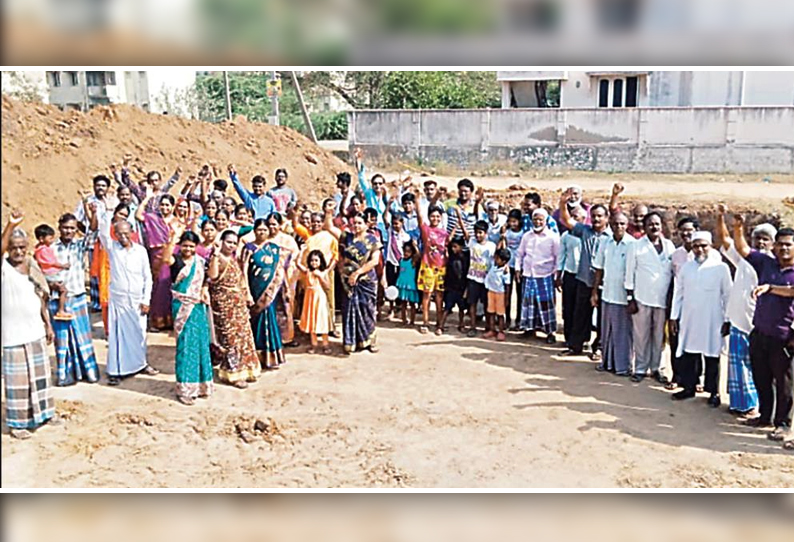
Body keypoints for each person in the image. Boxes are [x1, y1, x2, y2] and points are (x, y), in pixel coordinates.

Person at [735, 216, 794, 442]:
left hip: (784, 338)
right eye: (779, 244)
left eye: (788, 244)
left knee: (785, 384)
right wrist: (738, 227)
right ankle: (764, 416)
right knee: (761, 376)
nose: (783, 248)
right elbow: (742, 249)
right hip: (760, 333)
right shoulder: (766, 263)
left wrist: (770, 288)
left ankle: (783, 424)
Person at [2, 210, 59, 439]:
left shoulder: (32, 266)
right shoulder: (4, 269)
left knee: (40, 377)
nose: (18, 251)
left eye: (22, 247)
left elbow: (41, 299)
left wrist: (48, 325)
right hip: (12, 335)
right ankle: (17, 423)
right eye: (13, 247)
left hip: (34, 331)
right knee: (18, 382)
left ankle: (44, 414)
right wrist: (10, 224)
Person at [715, 206, 774, 415]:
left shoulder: (775, 265)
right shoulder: (744, 260)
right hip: (739, 321)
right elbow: (725, 240)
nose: (761, 242)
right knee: (738, 367)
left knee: (759, 369)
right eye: (758, 238)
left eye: (766, 239)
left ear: (773, 243)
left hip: (761, 326)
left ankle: (759, 408)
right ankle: (740, 404)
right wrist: (722, 218)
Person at [670, 231, 732, 406]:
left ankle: (714, 392)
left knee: (712, 356)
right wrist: (674, 317)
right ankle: (689, 387)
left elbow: (728, 294)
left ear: (710, 246)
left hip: (713, 319)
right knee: (690, 354)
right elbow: (678, 293)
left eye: (703, 245)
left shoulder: (721, 268)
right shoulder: (686, 268)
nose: (699, 249)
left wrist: (727, 319)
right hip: (690, 319)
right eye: (696, 246)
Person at [95, 210, 157, 386]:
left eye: (125, 233)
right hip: (119, 300)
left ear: (132, 232)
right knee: (118, 337)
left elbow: (148, 277)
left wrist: (146, 300)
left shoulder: (141, 251)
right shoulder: (113, 249)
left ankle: (140, 364)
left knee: (139, 333)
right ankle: (115, 371)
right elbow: (102, 233)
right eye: (119, 233)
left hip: (138, 301)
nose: (122, 236)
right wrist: (107, 212)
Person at [557, 190, 612, 357]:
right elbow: (566, 220)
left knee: (603, 318)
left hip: (604, 284)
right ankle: (576, 346)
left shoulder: (611, 236)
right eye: (594, 216)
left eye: (600, 216)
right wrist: (562, 202)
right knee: (580, 315)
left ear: (606, 218)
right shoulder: (584, 231)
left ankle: (599, 349)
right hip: (584, 280)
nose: (596, 219)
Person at [48, 213, 100, 386]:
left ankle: (88, 372)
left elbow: (92, 232)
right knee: (62, 338)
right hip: (57, 299)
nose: (68, 231)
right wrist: (52, 283)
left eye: (72, 228)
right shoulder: (51, 248)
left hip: (77, 296)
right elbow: (41, 270)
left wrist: (93, 214)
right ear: (59, 228)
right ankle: (64, 375)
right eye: (65, 227)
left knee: (82, 336)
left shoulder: (79, 246)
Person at [625, 211, 676, 385]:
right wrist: (630, 297)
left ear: (661, 226)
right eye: (650, 224)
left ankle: (657, 368)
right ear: (644, 227)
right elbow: (629, 272)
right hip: (642, 298)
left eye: (657, 224)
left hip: (662, 300)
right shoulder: (636, 246)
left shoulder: (669, 246)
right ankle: (640, 368)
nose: (654, 227)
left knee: (659, 337)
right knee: (641, 335)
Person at [207, 229, 261, 387]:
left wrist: (246, 296)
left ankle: (247, 369)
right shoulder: (219, 258)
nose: (231, 245)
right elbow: (213, 276)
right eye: (228, 242)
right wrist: (216, 255)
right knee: (230, 339)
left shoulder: (232, 259)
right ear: (222, 242)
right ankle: (233, 373)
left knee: (243, 337)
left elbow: (240, 279)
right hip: (224, 305)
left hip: (238, 305)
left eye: (234, 243)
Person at [324, 211, 382, 354]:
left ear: (366, 224)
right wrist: (328, 213)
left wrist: (357, 273)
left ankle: (369, 341)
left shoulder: (372, 240)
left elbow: (374, 261)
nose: (356, 226)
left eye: (359, 223)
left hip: (365, 281)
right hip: (347, 282)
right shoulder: (346, 237)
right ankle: (351, 342)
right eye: (354, 223)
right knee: (349, 309)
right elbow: (329, 227)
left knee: (366, 309)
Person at [167, 231, 213, 405]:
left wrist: (205, 289)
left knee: (200, 343)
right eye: (185, 245)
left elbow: (207, 279)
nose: (188, 249)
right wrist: (172, 239)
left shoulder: (200, 262)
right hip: (183, 307)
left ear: (196, 247)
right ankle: (185, 389)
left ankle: (201, 386)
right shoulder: (176, 261)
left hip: (198, 306)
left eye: (191, 246)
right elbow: (165, 259)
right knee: (186, 345)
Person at [591, 213, 636, 376]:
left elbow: (633, 273)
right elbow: (599, 268)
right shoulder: (605, 241)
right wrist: (595, 291)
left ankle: (623, 366)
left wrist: (631, 297)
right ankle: (607, 362)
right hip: (607, 294)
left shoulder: (632, 244)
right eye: (616, 224)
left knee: (622, 332)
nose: (619, 227)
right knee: (607, 331)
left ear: (627, 225)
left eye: (622, 224)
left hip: (623, 296)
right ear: (610, 224)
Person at [88, 202, 140, 334]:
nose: (122, 217)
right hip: (106, 267)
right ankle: (109, 329)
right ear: (114, 213)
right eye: (120, 213)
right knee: (106, 299)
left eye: (125, 215)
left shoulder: (126, 231)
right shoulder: (107, 229)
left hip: (122, 268)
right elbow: (102, 236)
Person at [245, 219, 287, 369]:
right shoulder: (249, 248)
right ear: (254, 231)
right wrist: (247, 292)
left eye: (264, 230)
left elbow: (280, 270)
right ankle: (256, 357)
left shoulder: (275, 248)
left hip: (270, 291)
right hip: (254, 289)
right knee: (255, 322)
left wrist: (285, 288)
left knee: (269, 319)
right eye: (259, 230)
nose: (262, 232)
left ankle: (271, 357)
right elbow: (243, 270)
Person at [137, 191, 181, 331]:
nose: (165, 207)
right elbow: (138, 215)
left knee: (170, 286)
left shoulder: (177, 222)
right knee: (158, 287)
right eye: (162, 205)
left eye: (167, 205)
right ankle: (157, 321)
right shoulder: (153, 219)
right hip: (157, 256)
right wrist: (147, 199)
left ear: (173, 207)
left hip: (172, 256)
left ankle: (170, 320)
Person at [74, 176, 120, 311]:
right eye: (98, 185)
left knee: (109, 270)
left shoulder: (113, 201)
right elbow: (78, 220)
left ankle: (109, 300)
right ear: (94, 186)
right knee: (94, 272)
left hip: (110, 240)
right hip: (93, 241)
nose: (100, 188)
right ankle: (96, 302)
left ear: (108, 187)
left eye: (103, 185)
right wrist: (88, 231)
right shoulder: (87, 202)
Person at [516, 208, 560, 344]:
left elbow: (558, 257)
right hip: (528, 274)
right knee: (529, 303)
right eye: (535, 219)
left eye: (540, 219)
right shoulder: (527, 236)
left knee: (546, 305)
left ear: (545, 221)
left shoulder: (553, 237)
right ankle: (529, 329)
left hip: (545, 275)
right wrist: (518, 269)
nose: (538, 222)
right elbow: (520, 254)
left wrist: (556, 274)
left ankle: (550, 332)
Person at [414, 186, 449, 335]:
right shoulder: (426, 229)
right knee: (427, 295)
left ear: (441, 218)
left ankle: (439, 324)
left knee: (439, 296)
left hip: (441, 267)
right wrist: (416, 200)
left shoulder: (444, 233)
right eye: (432, 216)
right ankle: (425, 322)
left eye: (437, 217)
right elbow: (420, 215)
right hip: (427, 265)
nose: (435, 219)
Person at [266, 213, 300, 347]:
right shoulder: (263, 239)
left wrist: (288, 276)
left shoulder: (288, 240)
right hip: (267, 281)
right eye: (269, 224)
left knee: (285, 308)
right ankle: (270, 337)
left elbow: (295, 258)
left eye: (274, 224)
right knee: (269, 307)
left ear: (280, 225)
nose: (271, 227)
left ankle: (287, 338)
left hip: (285, 280)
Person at [556, 206, 587, 348]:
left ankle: (583, 338)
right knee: (568, 307)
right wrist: (558, 275)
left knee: (582, 309)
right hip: (569, 275)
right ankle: (568, 337)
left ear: (583, 219)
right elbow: (561, 257)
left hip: (584, 276)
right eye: (572, 216)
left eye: (577, 217)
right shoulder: (565, 236)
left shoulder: (586, 234)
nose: (573, 220)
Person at [463, 220, 496, 337]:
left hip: (486, 280)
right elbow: (465, 233)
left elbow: (497, 259)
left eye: (481, 232)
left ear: (486, 233)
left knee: (487, 304)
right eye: (476, 232)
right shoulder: (472, 242)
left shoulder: (491, 246)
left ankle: (488, 327)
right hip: (472, 278)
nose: (478, 235)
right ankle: (472, 326)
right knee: (472, 303)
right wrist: (459, 217)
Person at [296, 249, 332, 355]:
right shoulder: (308, 271)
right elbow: (298, 264)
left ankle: (325, 344)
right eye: (312, 260)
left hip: (320, 299)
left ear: (321, 261)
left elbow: (328, 287)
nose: (314, 263)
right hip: (309, 298)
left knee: (322, 320)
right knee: (311, 320)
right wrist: (302, 252)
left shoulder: (323, 273)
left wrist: (320, 277)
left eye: (316, 260)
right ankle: (314, 344)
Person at [33, 223, 72, 320]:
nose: (52, 241)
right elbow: (51, 262)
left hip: (46, 274)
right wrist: (63, 265)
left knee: (47, 294)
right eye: (50, 238)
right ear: (42, 239)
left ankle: (44, 311)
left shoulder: (38, 249)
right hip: (51, 274)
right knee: (63, 290)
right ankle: (61, 310)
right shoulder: (44, 250)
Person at [354, 149, 389, 241]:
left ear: (384, 184)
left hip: (385, 227)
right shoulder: (369, 193)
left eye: (380, 183)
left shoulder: (387, 196)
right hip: (371, 226)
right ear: (372, 185)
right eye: (375, 183)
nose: (378, 186)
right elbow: (361, 177)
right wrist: (358, 160)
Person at [440, 237, 470, 334]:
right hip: (451, 288)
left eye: (455, 247)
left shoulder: (466, 258)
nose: (453, 249)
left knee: (462, 309)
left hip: (461, 288)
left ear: (461, 247)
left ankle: (461, 325)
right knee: (447, 308)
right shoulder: (451, 257)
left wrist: (466, 289)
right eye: (452, 247)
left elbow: (466, 273)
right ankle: (440, 326)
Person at [384, 213, 412, 317]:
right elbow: (384, 217)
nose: (395, 226)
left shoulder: (406, 237)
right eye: (393, 223)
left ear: (402, 223)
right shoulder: (390, 232)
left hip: (401, 263)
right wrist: (388, 205)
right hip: (391, 262)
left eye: (397, 223)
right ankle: (391, 307)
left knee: (400, 285)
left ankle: (400, 307)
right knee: (391, 285)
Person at [503, 209, 525, 331]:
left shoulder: (523, 234)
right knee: (507, 293)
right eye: (510, 221)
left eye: (515, 221)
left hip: (519, 266)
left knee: (520, 294)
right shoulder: (507, 233)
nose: (513, 224)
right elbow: (504, 247)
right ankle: (507, 319)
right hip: (508, 265)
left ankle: (519, 320)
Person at [484, 248, 512, 341]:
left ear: (504, 261)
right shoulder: (493, 265)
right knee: (491, 312)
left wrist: (506, 299)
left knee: (500, 314)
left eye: (498, 259)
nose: (496, 260)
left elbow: (507, 286)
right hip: (491, 291)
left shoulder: (505, 271)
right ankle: (492, 330)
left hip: (500, 294)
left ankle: (501, 331)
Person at [396, 240, 421, 326]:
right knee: (403, 304)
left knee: (412, 304)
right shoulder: (401, 260)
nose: (406, 253)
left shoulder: (413, 261)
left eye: (409, 252)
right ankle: (404, 320)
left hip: (411, 286)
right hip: (402, 285)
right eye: (405, 251)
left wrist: (415, 246)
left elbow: (418, 255)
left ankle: (412, 321)